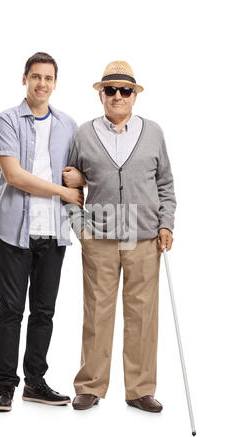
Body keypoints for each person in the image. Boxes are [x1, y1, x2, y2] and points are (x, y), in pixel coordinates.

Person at [64, 61, 177, 411]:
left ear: (134, 96)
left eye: (124, 91)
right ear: (101, 94)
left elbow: (166, 185)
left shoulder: (154, 132)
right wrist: (80, 227)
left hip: (144, 237)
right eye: (110, 90)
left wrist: (166, 224)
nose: (117, 96)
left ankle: (140, 389)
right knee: (97, 311)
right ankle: (90, 386)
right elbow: (67, 184)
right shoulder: (84, 134)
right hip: (99, 236)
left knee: (142, 314)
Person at [0, 52, 84, 412]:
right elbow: (14, 176)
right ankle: (4, 385)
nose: (42, 84)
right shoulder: (7, 120)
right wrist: (63, 190)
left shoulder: (67, 124)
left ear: (55, 83)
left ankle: (35, 382)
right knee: (11, 310)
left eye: (48, 78)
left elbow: (78, 172)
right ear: (25, 79)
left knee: (44, 311)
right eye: (36, 77)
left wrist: (78, 181)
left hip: (54, 231)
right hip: (14, 229)